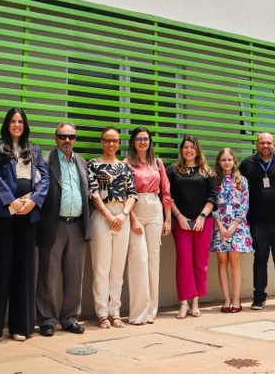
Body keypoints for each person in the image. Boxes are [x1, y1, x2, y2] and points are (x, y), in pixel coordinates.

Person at [0, 108, 49, 341]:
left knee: (24, 269)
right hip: (2, 213)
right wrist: (11, 201)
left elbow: (44, 178)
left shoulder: (34, 149)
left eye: (20, 121)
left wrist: (33, 201)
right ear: (7, 124)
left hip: (27, 214)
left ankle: (21, 327)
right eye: (13, 121)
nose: (17, 125)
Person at [36, 122, 90, 336]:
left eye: (71, 136)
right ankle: (47, 319)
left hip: (77, 225)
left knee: (75, 275)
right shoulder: (46, 161)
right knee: (48, 274)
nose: (67, 140)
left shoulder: (82, 163)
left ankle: (69, 318)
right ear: (55, 138)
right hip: (53, 224)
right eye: (62, 136)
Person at [239, 132, 275, 311]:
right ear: (257, 144)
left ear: (274, 145)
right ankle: (259, 297)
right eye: (262, 143)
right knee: (260, 258)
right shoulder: (247, 164)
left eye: (269, 143)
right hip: (257, 222)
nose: (266, 146)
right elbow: (239, 187)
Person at [88, 126, 138, 329]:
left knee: (117, 267)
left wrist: (124, 214)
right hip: (102, 215)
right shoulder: (93, 164)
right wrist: (108, 215)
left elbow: (133, 194)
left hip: (122, 216)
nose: (111, 144)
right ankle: (101, 313)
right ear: (102, 142)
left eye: (115, 141)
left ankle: (115, 311)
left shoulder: (125, 167)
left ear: (119, 143)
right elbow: (93, 192)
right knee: (101, 266)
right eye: (107, 140)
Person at [124, 127, 172, 325]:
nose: (143, 142)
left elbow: (166, 193)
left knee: (153, 261)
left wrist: (168, 219)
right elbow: (125, 192)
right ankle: (138, 312)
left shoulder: (157, 163)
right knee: (138, 260)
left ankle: (152, 310)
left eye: (146, 139)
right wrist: (132, 218)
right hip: (135, 208)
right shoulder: (126, 163)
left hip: (154, 208)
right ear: (133, 142)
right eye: (139, 139)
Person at [167, 135, 217, 319]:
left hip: (203, 222)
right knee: (184, 261)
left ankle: (195, 302)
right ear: (181, 150)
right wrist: (178, 217)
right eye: (185, 147)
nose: (189, 150)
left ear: (197, 150)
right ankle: (184, 302)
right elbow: (167, 196)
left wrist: (202, 217)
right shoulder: (173, 170)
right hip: (182, 222)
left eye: (192, 147)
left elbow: (212, 197)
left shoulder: (207, 171)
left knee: (200, 262)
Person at [211, 147, 252, 313]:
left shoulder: (241, 180)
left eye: (229, 159)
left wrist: (234, 225)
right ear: (219, 162)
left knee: (234, 261)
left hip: (237, 225)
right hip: (219, 225)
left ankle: (236, 300)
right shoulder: (214, 180)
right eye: (223, 160)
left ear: (234, 161)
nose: (226, 162)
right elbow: (211, 202)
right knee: (222, 261)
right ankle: (226, 299)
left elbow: (245, 204)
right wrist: (220, 226)